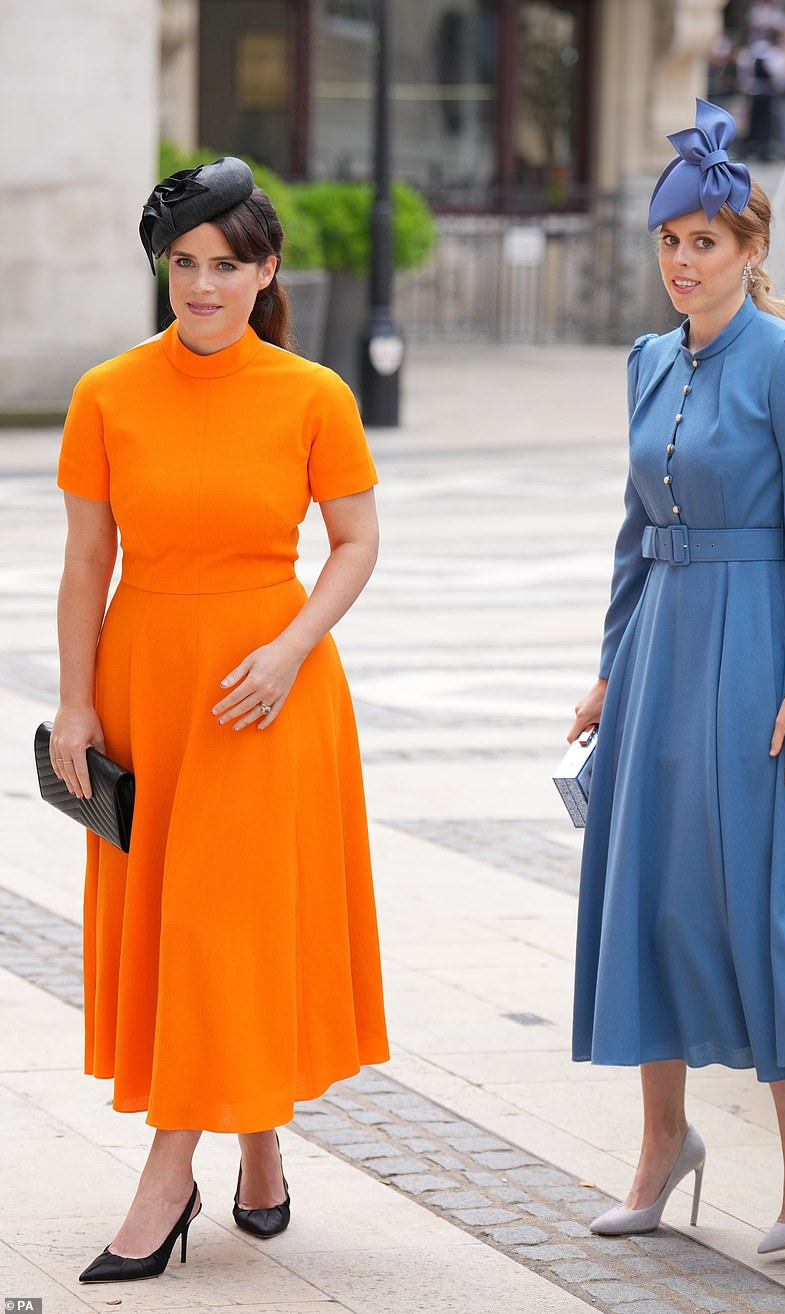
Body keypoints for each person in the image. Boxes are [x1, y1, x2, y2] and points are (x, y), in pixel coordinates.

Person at [568, 99, 785, 1255]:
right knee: (649, 898)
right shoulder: (644, 361)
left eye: (703, 243)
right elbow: (633, 533)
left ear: (751, 250)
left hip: (751, 645)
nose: (681, 263)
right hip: (662, 638)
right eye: (668, 243)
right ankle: (661, 1141)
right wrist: (606, 674)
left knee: (750, 903)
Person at [50, 156, 389, 1284]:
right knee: (188, 928)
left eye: (224, 266)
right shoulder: (107, 391)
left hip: (268, 693)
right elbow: (85, 562)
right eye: (182, 265)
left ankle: (163, 1185)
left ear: (265, 270)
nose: (201, 287)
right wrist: (73, 700)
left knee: (222, 926)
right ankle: (259, 1148)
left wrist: (292, 651)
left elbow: (354, 543)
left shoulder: (311, 395)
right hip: (148, 681)